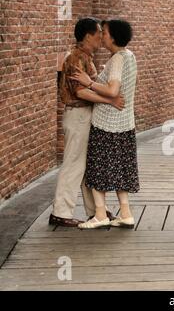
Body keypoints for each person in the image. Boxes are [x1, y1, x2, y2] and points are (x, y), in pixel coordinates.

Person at [49, 17, 124, 227]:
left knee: (85, 165)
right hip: (78, 115)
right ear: (88, 35)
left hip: (84, 116)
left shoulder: (86, 57)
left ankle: (96, 211)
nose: (101, 37)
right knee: (73, 164)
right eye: (99, 33)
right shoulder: (75, 58)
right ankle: (60, 212)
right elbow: (80, 91)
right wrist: (109, 99)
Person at [70, 19, 139, 229]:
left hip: (107, 124)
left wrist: (89, 82)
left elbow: (112, 91)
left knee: (97, 168)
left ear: (114, 36)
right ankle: (125, 213)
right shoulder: (129, 56)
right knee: (121, 169)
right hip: (125, 124)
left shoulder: (117, 59)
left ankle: (100, 215)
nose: (103, 35)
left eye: (106, 32)